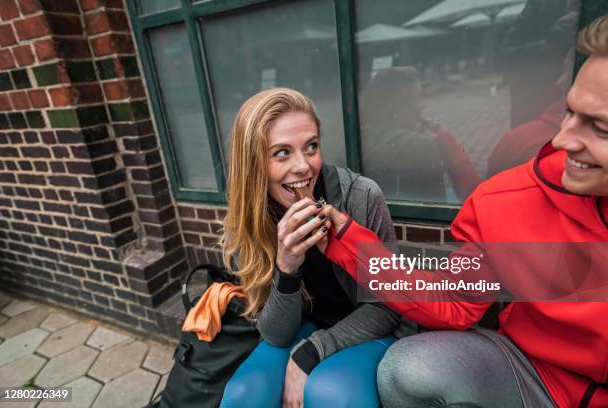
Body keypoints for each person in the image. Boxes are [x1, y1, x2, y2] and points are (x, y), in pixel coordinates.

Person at [322, 14, 608, 408]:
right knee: (410, 368)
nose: (561, 139)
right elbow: (450, 300)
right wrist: (345, 239)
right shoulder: (508, 200)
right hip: (542, 381)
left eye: (600, 128)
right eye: (568, 111)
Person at [218, 88, 415, 407]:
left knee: (331, 393)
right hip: (303, 326)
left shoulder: (361, 197)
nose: (303, 167)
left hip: (373, 328)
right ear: (253, 163)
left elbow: (389, 304)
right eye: (281, 152)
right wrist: (287, 267)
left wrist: (312, 352)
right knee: (243, 395)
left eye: (311, 147)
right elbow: (275, 333)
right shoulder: (253, 215)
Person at [361, 66, 479, 202]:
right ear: (396, 108)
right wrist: (445, 140)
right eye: (418, 98)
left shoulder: (357, 140)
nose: (424, 105)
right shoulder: (422, 147)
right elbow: (468, 193)